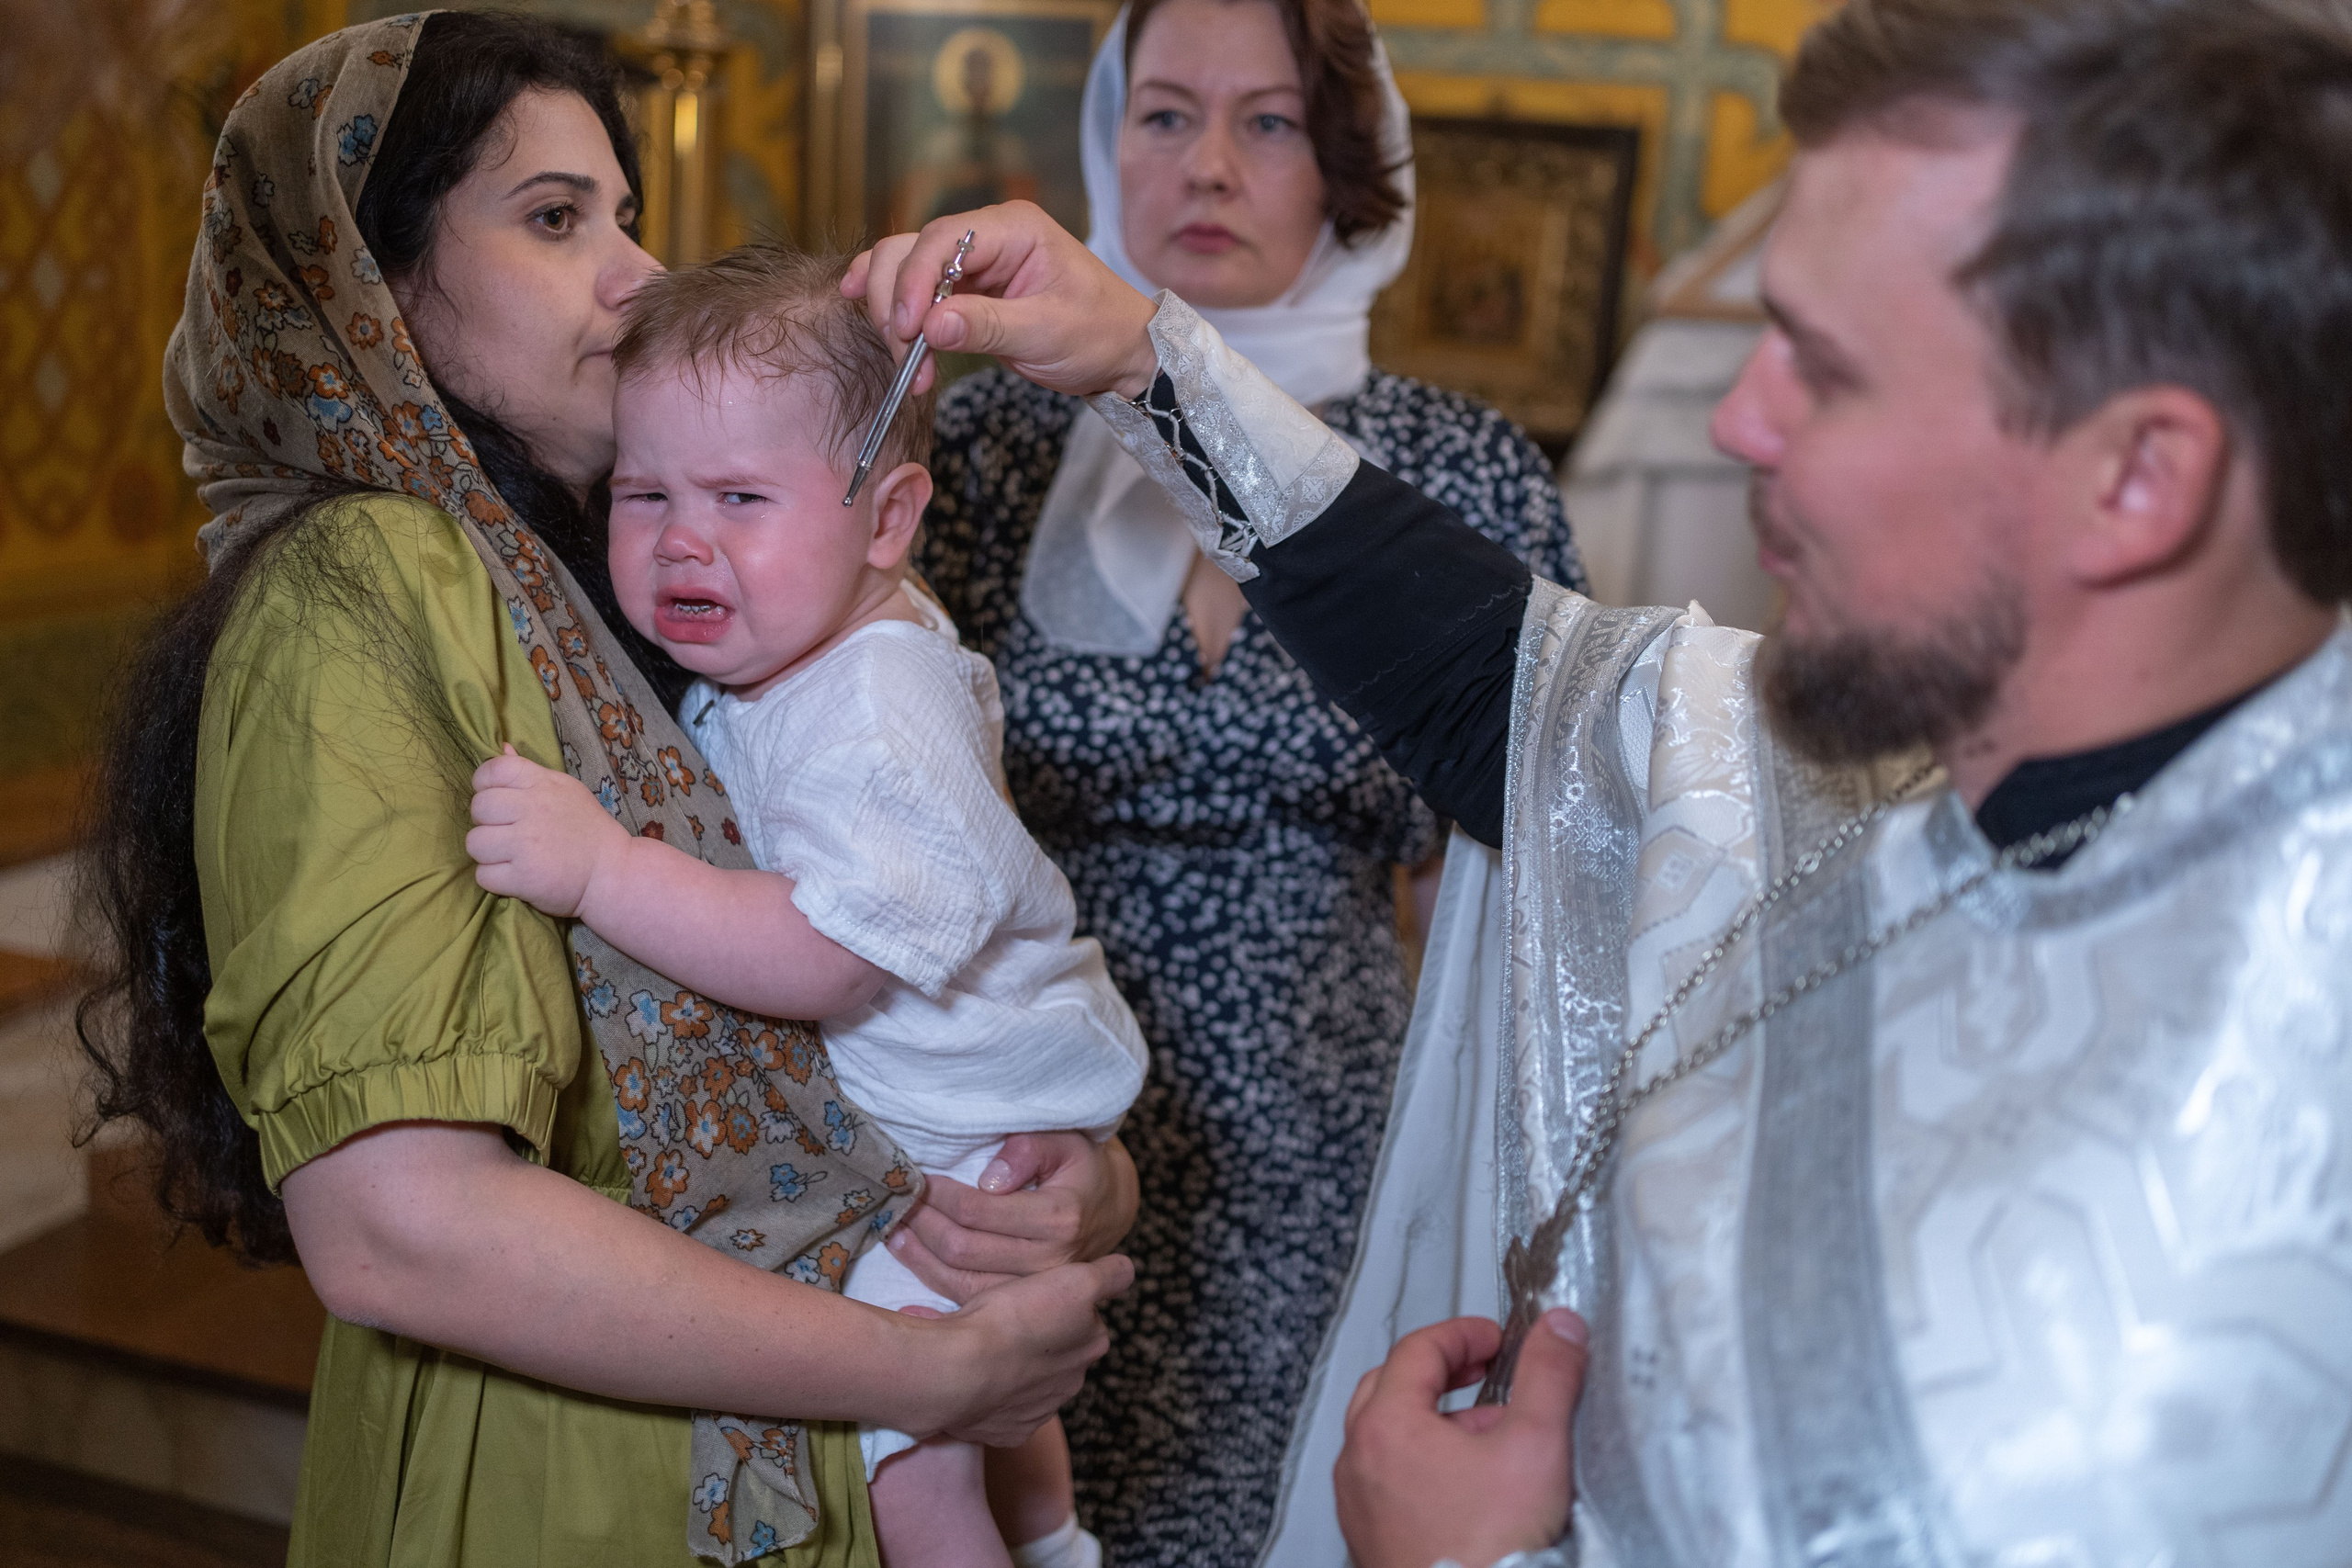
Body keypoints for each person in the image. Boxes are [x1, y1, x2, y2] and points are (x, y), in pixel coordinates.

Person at [847, 0, 2352, 1561]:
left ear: (2139, 478)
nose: (1740, 419)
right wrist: (1144, 356)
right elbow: (1499, 686)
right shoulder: (1883, 778)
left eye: (1826, 371)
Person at [74, 17, 1136, 1568]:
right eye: (558, 218)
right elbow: (402, 1228)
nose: (636, 271)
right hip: (563, 1487)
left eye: (626, 215)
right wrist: (934, 1370)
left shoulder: (613, 578)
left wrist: (1057, 1178)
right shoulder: (364, 586)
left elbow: (877, 987)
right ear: (367, 285)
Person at [910, 0, 1584, 1557]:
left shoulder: (1464, 473)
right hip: (1021, 1141)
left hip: (1333, 1146)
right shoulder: (991, 447)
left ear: (1351, 166)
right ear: (1104, 141)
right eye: (1164, 115)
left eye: (1269, 122)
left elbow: (1526, 865)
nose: (1206, 164)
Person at [465, 246, 1148, 1568]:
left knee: (911, 1465)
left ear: (887, 521)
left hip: (957, 1133)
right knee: (991, 1412)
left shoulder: (876, 710)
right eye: (645, 491)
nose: (680, 538)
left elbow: (825, 955)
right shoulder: (813, 641)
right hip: (967, 1119)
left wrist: (601, 867)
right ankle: (1060, 1543)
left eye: (739, 495)